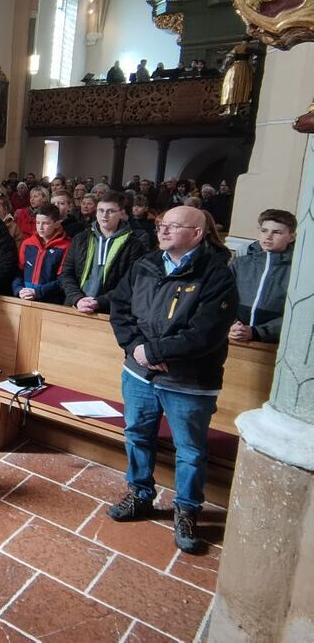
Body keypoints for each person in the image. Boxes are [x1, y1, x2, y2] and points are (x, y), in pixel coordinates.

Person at [108, 205, 238, 554]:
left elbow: (206, 332)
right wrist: (137, 349)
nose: (163, 231)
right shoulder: (146, 264)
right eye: (161, 225)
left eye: (173, 226)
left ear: (197, 233)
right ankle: (140, 493)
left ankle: (187, 510)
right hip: (139, 373)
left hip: (190, 380)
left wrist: (155, 352)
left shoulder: (216, 274)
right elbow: (120, 309)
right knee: (137, 434)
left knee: (190, 450)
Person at [59, 191, 145, 314]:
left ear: (121, 213)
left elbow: (130, 283)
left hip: (109, 311)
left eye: (110, 211)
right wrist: (77, 298)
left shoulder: (133, 245)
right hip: (75, 306)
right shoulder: (80, 238)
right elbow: (66, 273)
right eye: (101, 210)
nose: (104, 215)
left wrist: (99, 302)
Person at [228, 209, 296, 344]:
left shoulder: (296, 270)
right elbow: (221, 298)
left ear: (291, 237)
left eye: (277, 232)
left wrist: (258, 332)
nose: (268, 237)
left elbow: (297, 312)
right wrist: (232, 325)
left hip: (274, 342)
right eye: (264, 231)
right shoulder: (240, 264)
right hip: (233, 335)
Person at [11, 204, 70, 304]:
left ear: (57, 224)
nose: (40, 227)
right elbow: (18, 272)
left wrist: (38, 292)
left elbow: (63, 279)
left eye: (46, 223)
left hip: (51, 301)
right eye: (38, 223)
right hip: (24, 297)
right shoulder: (27, 243)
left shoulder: (65, 246)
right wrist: (19, 289)